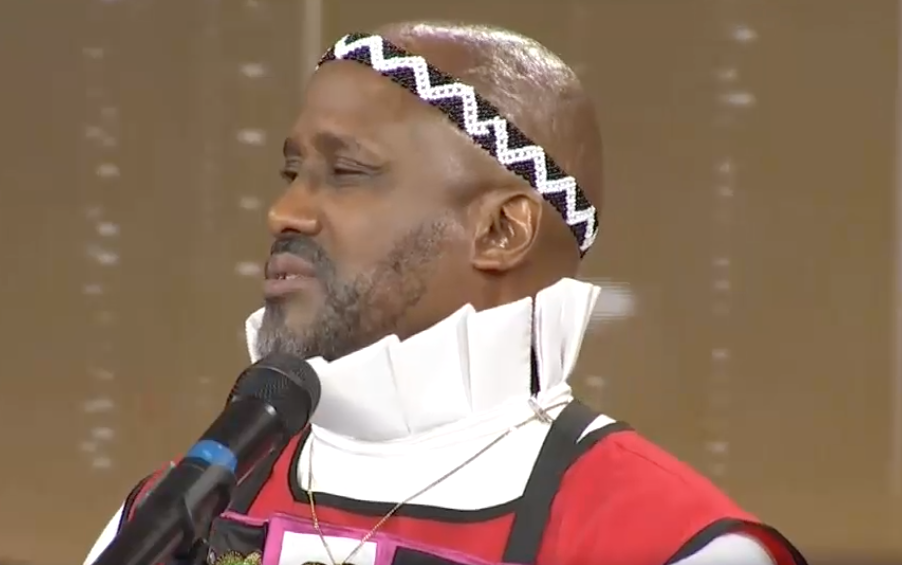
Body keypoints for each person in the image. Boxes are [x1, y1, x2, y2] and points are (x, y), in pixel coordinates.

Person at [83, 21, 807, 565]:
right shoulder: (167, 519)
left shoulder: (666, 544)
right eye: (292, 173)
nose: (285, 213)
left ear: (499, 230)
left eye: (346, 173)